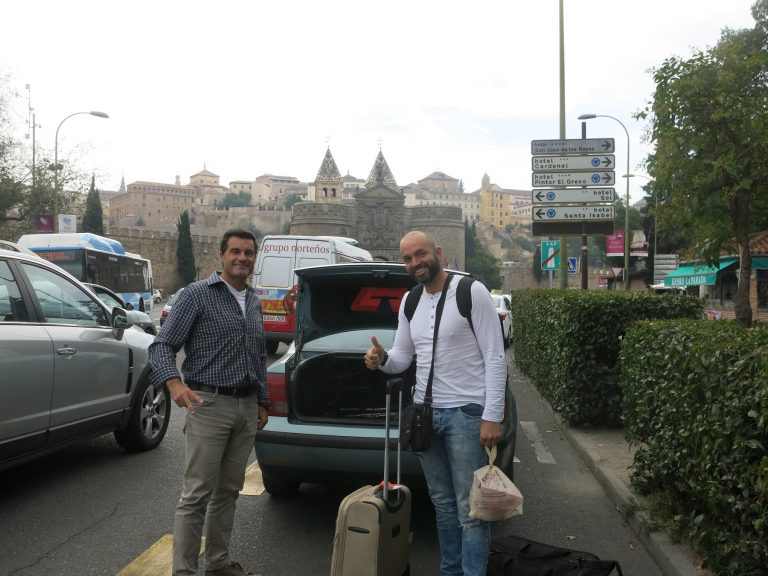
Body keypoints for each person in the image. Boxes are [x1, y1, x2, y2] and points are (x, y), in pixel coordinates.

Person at [364, 230, 507, 576]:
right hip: (426, 417)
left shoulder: (471, 291)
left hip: (467, 415)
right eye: (408, 258)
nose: (415, 262)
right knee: (442, 505)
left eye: (421, 254)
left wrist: (492, 416)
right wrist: (382, 360)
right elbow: (402, 357)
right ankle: (450, 571)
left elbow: (495, 356)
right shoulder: (410, 301)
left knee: (471, 510)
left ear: (438, 253)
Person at [149, 229, 269, 576]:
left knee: (228, 492)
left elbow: (259, 356)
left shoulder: (254, 300)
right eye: (235, 251)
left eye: (248, 253)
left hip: (246, 406)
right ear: (222, 255)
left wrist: (262, 401)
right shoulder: (197, 295)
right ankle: (184, 572)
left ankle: (217, 564)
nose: (242, 258)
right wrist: (173, 383)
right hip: (209, 403)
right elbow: (162, 345)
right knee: (196, 495)